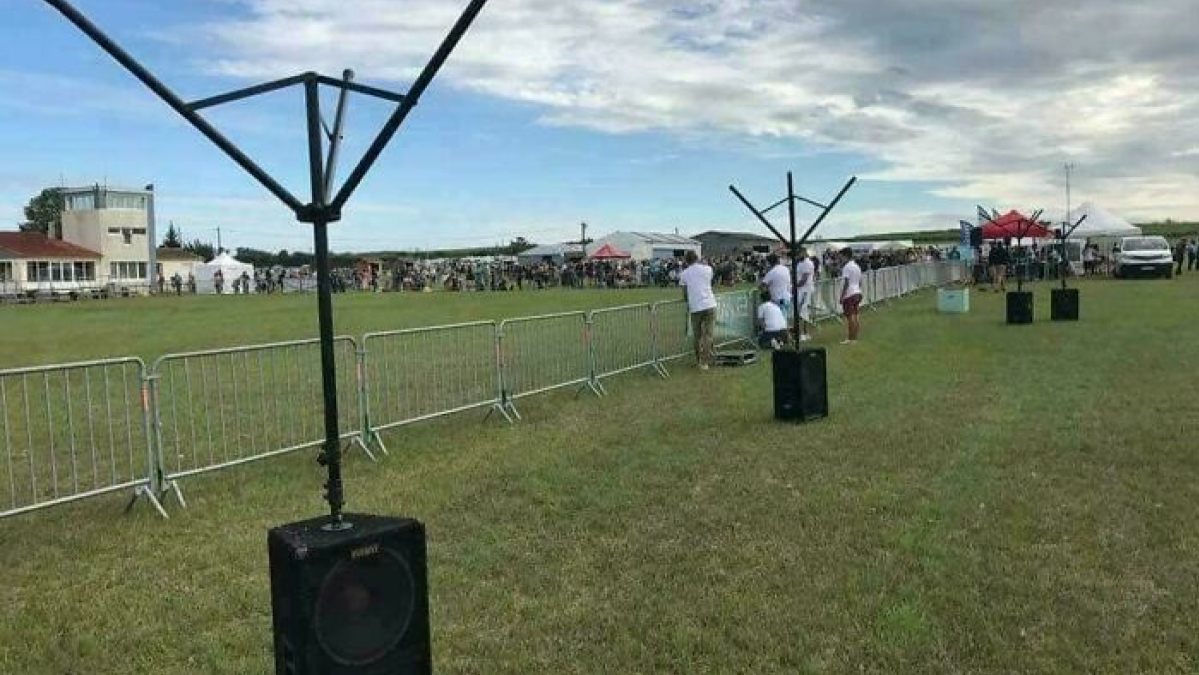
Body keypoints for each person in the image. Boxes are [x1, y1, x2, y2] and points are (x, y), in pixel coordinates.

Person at [678, 250, 717, 370]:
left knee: (697, 336)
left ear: (686, 260)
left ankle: (699, 360)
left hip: (695, 306)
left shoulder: (684, 274)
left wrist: (688, 299)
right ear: (697, 258)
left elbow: (684, 293)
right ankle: (706, 360)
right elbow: (710, 281)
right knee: (708, 334)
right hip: (710, 304)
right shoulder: (708, 269)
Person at [838, 247, 863, 345]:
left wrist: (842, 296)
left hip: (850, 294)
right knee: (855, 315)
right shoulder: (857, 266)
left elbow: (846, 283)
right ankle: (854, 338)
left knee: (850, 316)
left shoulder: (847, 267)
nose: (840, 258)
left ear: (845, 256)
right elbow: (860, 281)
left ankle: (851, 338)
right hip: (857, 292)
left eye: (841, 256)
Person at [793, 247, 815, 342]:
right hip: (801, 290)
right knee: (802, 312)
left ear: (804, 253)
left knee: (802, 312)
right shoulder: (799, 263)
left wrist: (794, 287)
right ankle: (804, 333)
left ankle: (803, 333)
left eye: (799, 253)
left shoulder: (807, 263)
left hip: (805, 290)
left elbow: (804, 279)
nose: (797, 255)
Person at [761, 253, 792, 319]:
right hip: (786, 297)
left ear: (770, 262)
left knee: (779, 318)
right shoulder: (785, 269)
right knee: (783, 317)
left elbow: (763, 284)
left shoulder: (772, 272)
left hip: (777, 299)